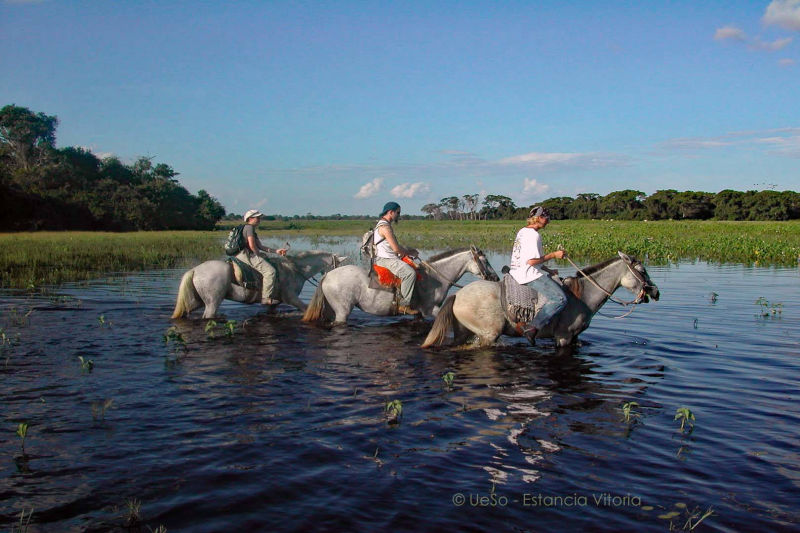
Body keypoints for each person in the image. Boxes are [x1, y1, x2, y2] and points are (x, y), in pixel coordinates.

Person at [508, 206, 567, 343]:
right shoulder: (534, 235)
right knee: (560, 299)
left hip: (518, 270)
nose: (548, 221)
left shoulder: (522, 231)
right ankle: (533, 327)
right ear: (539, 218)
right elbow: (532, 261)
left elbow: (527, 258)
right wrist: (554, 255)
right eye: (547, 218)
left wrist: (549, 271)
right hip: (527, 274)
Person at [373, 201, 420, 315]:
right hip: (387, 260)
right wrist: (410, 252)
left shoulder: (382, 224)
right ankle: (404, 305)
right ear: (390, 212)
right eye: (398, 213)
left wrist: (406, 251)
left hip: (387, 257)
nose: (399, 215)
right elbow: (396, 249)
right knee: (410, 273)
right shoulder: (385, 227)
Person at [236, 209, 288, 305]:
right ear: (250, 218)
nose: (259, 219)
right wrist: (259, 255)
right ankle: (266, 298)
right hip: (246, 255)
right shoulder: (249, 228)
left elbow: (260, 246)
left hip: (242, 254)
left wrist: (276, 251)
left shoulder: (249, 229)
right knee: (271, 272)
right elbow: (252, 246)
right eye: (257, 217)